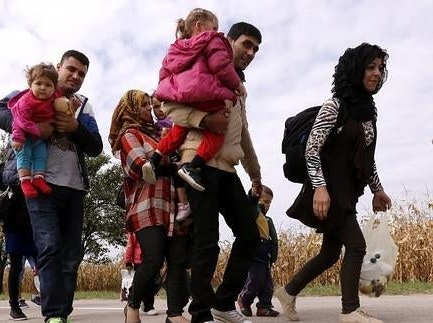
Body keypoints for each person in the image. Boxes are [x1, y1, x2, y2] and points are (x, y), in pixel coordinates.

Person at [275, 43, 392, 323]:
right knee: (356, 245)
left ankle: (288, 292)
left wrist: (377, 189)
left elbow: (367, 159)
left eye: (380, 67)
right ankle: (350, 311)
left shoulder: (368, 114)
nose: (377, 73)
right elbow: (311, 149)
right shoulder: (334, 106)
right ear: (355, 70)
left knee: (329, 254)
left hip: (348, 191)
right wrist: (319, 187)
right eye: (370, 67)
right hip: (329, 190)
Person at [0, 49, 103, 323]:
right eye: (71, 69)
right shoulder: (28, 93)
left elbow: (96, 147)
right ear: (58, 66)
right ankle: (53, 314)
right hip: (38, 184)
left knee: (71, 254)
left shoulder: (83, 105)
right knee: (49, 246)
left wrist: (75, 127)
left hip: (74, 188)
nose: (75, 77)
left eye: (82, 74)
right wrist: (32, 126)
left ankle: (62, 309)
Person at [162, 21, 264, 323]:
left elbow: (243, 134)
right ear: (227, 41)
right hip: (198, 163)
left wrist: (256, 175)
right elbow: (168, 107)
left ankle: (223, 303)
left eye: (256, 49)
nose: (251, 52)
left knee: (249, 235)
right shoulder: (199, 72)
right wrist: (204, 120)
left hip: (228, 170)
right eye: (246, 44)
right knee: (207, 239)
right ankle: (201, 313)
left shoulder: (239, 90)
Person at [109, 89, 191, 323]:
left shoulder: (161, 133)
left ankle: (175, 313)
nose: (149, 109)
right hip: (148, 205)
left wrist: (169, 160)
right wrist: (168, 165)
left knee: (177, 260)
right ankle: (133, 305)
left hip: (174, 204)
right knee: (153, 260)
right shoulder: (129, 134)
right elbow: (140, 167)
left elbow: (178, 159)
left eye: (149, 104)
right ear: (130, 108)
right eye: (143, 105)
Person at [147, 8, 244, 192]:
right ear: (199, 26)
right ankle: (194, 166)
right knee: (217, 133)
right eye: (214, 27)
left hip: (184, 99)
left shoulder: (174, 50)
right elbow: (220, 64)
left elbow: (163, 76)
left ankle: (154, 160)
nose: (216, 31)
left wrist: (172, 91)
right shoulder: (212, 39)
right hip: (207, 95)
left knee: (178, 130)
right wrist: (235, 84)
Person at [9, 62, 63, 198]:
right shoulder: (25, 102)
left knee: (41, 155)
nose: (43, 88)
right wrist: (17, 138)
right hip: (23, 135)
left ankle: (39, 178)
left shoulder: (54, 98)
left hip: (38, 137)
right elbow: (18, 121)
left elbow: (62, 107)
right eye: (38, 84)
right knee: (24, 155)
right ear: (30, 85)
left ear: (54, 88)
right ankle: (25, 181)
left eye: (48, 85)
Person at [0, 147, 39, 320]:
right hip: (16, 217)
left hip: (36, 216)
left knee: (44, 263)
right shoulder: (12, 155)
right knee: (16, 265)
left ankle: (51, 302)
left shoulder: (38, 150)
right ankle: (14, 306)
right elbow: (5, 179)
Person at [237, 185, 279, 318]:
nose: (268, 205)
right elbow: (251, 206)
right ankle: (244, 300)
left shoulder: (267, 219)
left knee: (267, 285)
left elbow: (273, 239)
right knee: (254, 279)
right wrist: (254, 196)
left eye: (270, 203)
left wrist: (273, 253)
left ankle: (264, 307)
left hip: (266, 254)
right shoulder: (254, 214)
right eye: (265, 201)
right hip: (255, 252)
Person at [151, 95, 191, 221]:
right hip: (169, 165)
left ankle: (185, 203)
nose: (160, 109)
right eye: (156, 106)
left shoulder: (179, 120)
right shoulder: (154, 128)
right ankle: (183, 204)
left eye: (163, 104)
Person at [124, 232, 158, 316]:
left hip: (151, 260)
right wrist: (128, 261)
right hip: (139, 261)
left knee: (151, 285)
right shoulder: (134, 231)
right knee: (141, 284)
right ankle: (143, 306)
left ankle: (147, 305)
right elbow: (130, 245)